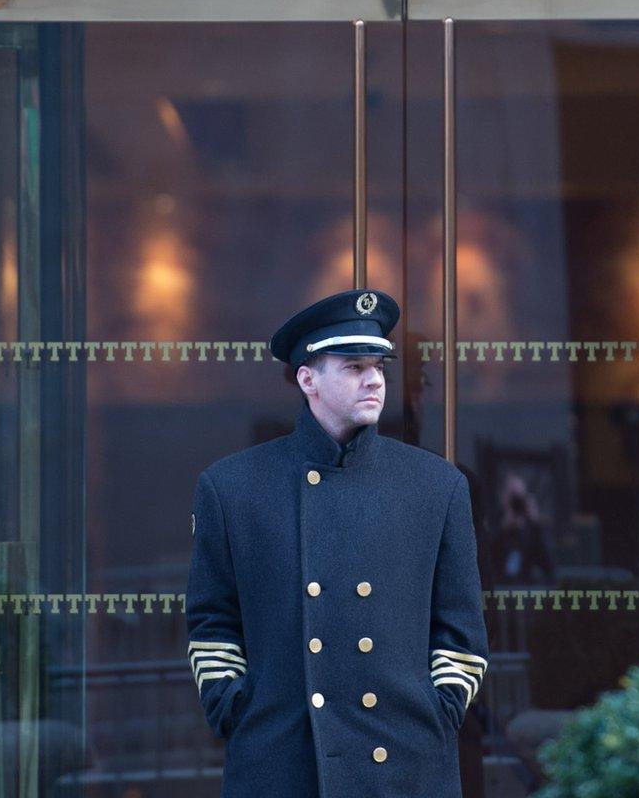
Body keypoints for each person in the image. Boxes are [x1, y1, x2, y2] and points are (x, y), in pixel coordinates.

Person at [186, 288, 489, 798]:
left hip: (404, 762)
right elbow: (212, 618)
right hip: (280, 760)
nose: (374, 379)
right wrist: (233, 705)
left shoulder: (437, 486)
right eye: (353, 366)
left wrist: (441, 709)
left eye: (379, 366)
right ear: (308, 378)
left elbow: (460, 629)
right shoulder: (232, 487)